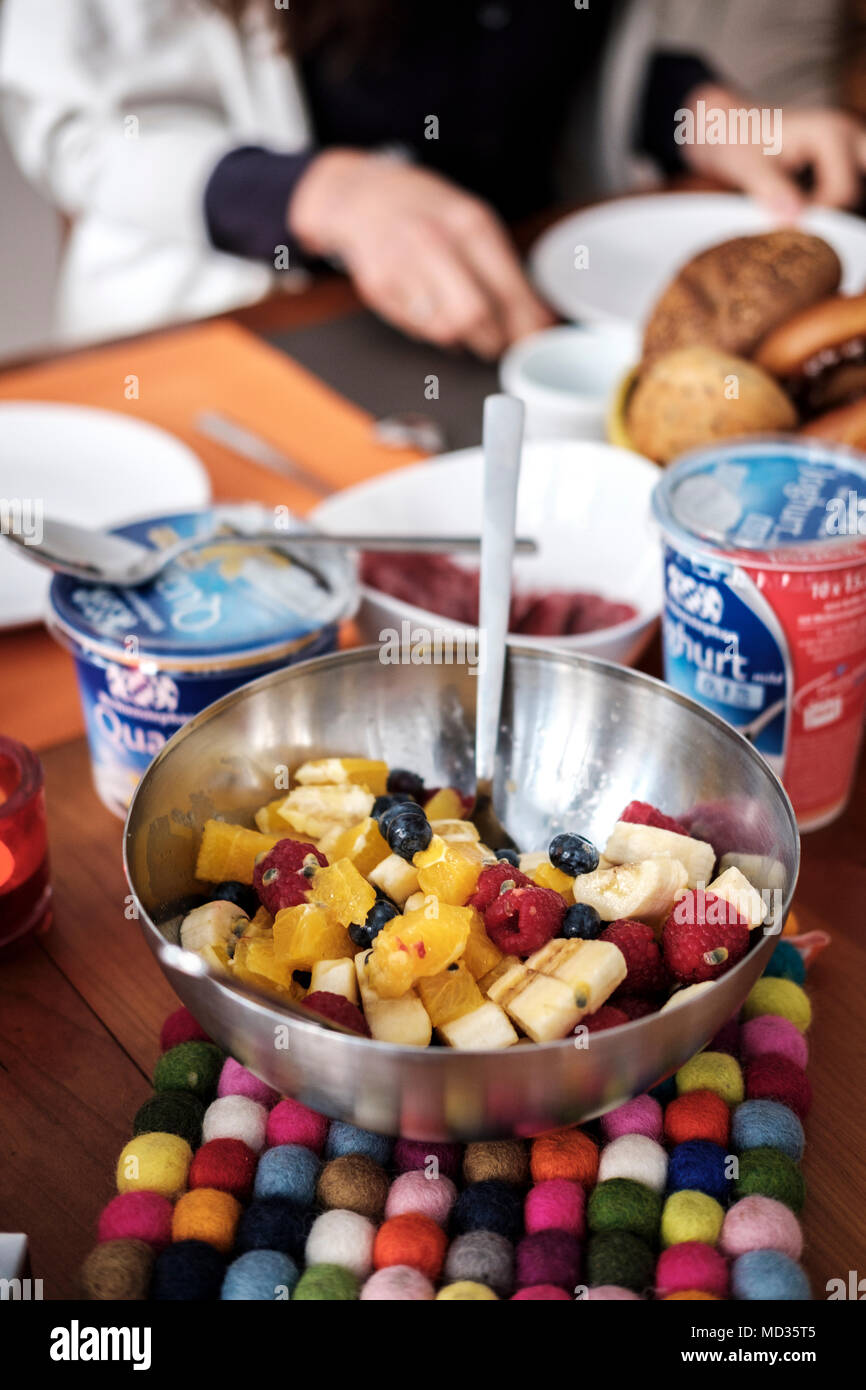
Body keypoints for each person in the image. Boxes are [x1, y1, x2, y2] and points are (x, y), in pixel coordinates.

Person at [2, 0, 866, 353]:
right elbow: (76, 122)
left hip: (529, 313)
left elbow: (560, 54)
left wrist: (690, 108)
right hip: (239, 333)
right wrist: (322, 195)